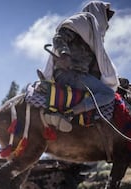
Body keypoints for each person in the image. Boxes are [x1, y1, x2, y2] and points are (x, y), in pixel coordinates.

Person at [43, 1, 119, 132]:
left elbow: (98, 71)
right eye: (106, 16)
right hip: (71, 75)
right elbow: (59, 38)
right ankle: (69, 114)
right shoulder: (81, 22)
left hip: (79, 76)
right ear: (98, 12)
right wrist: (64, 54)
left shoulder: (92, 37)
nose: (107, 22)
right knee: (108, 94)